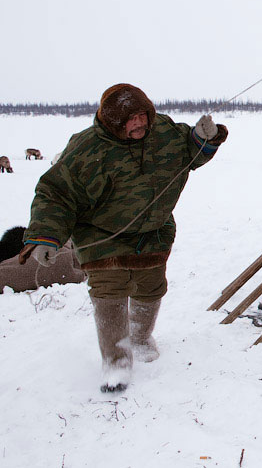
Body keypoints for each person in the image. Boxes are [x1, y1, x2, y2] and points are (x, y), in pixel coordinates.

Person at [17, 84, 228, 393]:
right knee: (110, 294)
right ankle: (116, 362)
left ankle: (141, 337)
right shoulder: (87, 148)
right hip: (102, 235)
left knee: (151, 288)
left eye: (143, 115)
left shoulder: (163, 131)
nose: (139, 123)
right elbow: (56, 194)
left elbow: (189, 154)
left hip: (152, 232)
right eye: (131, 119)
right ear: (114, 121)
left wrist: (204, 139)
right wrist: (46, 236)